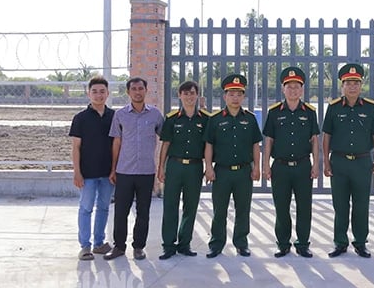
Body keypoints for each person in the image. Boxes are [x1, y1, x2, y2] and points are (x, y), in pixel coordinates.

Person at [322, 63, 374, 258]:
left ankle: (360, 242)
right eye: (348, 83)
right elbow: (327, 136)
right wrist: (325, 160)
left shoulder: (370, 107)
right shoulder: (333, 108)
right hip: (339, 162)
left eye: (356, 83)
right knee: (340, 205)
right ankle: (340, 242)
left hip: (362, 162)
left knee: (361, 204)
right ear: (342, 85)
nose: (352, 87)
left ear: (361, 85)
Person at [104, 77, 165, 261]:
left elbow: (165, 138)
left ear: (146, 91)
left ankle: (139, 247)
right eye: (134, 89)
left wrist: (162, 166)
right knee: (121, 211)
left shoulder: (155, 114)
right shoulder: (120, 115)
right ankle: (119, 247)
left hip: (146, 172)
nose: (137, 92)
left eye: (141, 88)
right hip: (124, 171)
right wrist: (113, 169)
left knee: (143, 212)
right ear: (128, 92)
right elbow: (116, 141)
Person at [262, 66, 320, 258]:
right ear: (283, 89)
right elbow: (268, 140)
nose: (293, 90)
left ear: (302, 90)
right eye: (289, 87)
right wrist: (265, 166)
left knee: (304, 206)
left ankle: (302, 243)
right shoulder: (274, 112)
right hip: (280, 166)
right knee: (281, 206)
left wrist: (316, 164)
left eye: (297, 87)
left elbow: (315, 140)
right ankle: (283, 243)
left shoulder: (310, 112)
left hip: (303, 166)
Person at [204, 73, 262, 258]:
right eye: (231, 94)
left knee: (243, 209)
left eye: (239, 94)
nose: (235, 97)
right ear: (225, 96)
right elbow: (209, 145)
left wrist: (257, 167)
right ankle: (216, 243)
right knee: (219, 210)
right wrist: (209, 167)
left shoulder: (250, 118)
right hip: (221, 171)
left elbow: (255, 144)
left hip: (244, 171)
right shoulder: (215, 119)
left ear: (243, 96)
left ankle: (241, 243)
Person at [157, 81, 211, 260]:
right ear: (179, 96)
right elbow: (165, 145)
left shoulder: (205, 119)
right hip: (175, 166)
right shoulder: (172, 118)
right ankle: (168, 245)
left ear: (197, 96)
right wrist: (161, 168)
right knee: (170, 205)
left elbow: (208, 146)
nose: (189, 97)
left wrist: (208, 166)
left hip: (195, 167)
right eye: (185, 93)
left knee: (191, 206)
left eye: (192, 93)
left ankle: (184, 243)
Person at [69, 76, 115, 260]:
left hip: (107, 174)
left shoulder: (114, 117)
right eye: (94, 91)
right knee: (86, 208)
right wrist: (77, 172)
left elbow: (117, 145)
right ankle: (85, 246)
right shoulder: (80, 118)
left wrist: (114, 170)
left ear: (108, 93)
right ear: (88, 93)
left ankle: (99, 243)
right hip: (87, 174)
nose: (98, 95)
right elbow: (75, 148)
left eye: (102, 91)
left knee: (103, 207)